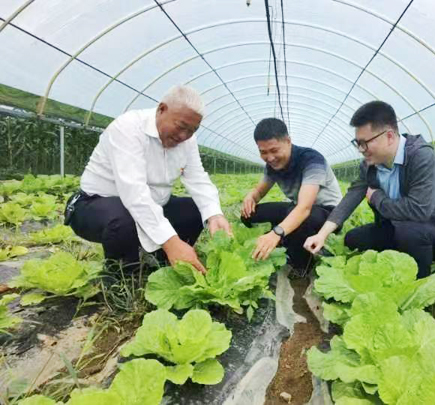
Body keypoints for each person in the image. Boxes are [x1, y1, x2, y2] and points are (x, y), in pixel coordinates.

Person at [66, 85, 231, 273]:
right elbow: (134, 194)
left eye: (192, 130)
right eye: (181, 126)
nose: (184, 136)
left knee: (194, 210)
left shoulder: (187, 141)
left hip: (152, 204)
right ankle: (121, 274)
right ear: (162, 109)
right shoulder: (128, 127)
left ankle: (163, 264)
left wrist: (214, 214)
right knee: (124, 218)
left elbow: (198, 178)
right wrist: (171, 241)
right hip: (94, 206)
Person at [304, 101, 435, 278]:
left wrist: (377, 197)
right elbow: (351, 198)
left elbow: (419, 211)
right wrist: (322, 234)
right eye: (357, 143)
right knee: (353, 239)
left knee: (409, 232)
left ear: (390, 136)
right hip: (396, 226)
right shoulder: (370, 165)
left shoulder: (421, 156)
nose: (361, 150)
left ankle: (418, 283)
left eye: (365, 143)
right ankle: (399, 255)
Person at [241, 118, 342, 274]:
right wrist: (250, 197)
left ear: (288, 141)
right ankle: (284, 238)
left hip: (328, 214)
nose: (270, 158)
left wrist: (277, 233)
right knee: (249, 214)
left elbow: (304, 208)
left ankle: (301, 265)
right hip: (297, 208)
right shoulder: (272, 165)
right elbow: (259, 192)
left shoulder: (312, 160)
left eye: (274, 150)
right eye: (263, 152)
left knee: (299, 217)